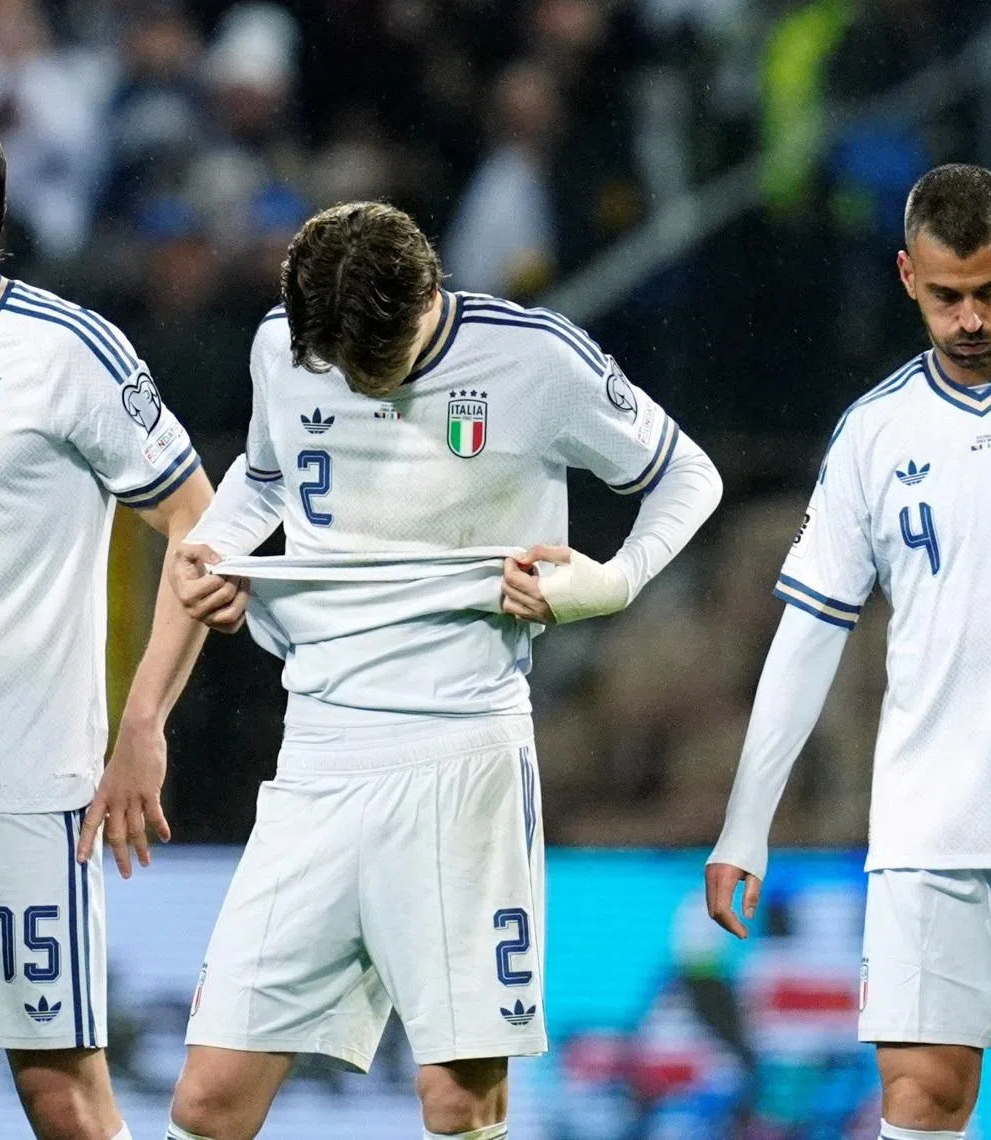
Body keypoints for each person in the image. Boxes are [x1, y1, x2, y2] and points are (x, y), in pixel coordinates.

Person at [164, 200, 723, 1140]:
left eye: (369, 361)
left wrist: (614, 582)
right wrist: (216, 550)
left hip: (462, 760)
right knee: (207, 1101)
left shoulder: (536, 360)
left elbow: (688, 475)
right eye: (334, 361)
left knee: (460, 1102)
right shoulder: (284, 345)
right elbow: (266, 474)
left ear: (430, 293)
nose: (352, 379)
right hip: (316, 759)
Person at [705, 163, 991, 1140]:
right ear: (907, 277)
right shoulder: (874, 434)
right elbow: (810, 632)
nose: (971, 318)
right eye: (947, 297)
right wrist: (745, 823)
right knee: (921, 1101)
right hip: (927, 837)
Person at [0, 92, 212, 1139]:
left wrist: (142, 728)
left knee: (58, 1089)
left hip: (16, 783)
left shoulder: (64, 350)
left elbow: (200, 528)